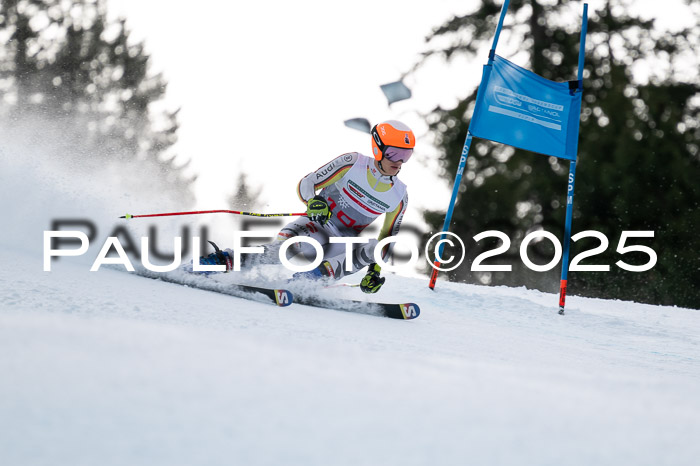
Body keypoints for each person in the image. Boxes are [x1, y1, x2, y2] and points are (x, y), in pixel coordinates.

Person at [196, 120, 414, 294]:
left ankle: (311, 279)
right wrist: (314, 201)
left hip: (338, 248)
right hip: (315, 227)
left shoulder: (399, 196)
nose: (399, 161)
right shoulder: (353, 163)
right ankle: (218, 261)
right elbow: (307, 184)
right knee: (281, 252)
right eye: (394, 153)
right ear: (377, 148)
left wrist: (374, 272)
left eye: (406, 155)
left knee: (376, 245)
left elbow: (387, 240)